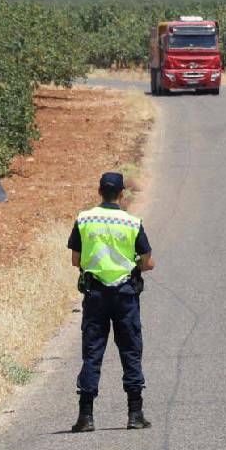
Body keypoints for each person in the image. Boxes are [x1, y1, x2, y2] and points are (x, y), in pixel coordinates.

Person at [67, 172, 155, 433]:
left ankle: (85, 417)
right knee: (130, 350)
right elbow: (148, 261)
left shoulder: (84, 219)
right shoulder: (132, 222)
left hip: (95, 295)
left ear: (99, 191)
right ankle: (135, 414)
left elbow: (76, 260)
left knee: (92, 352)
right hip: (125, 294)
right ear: (121, 194)